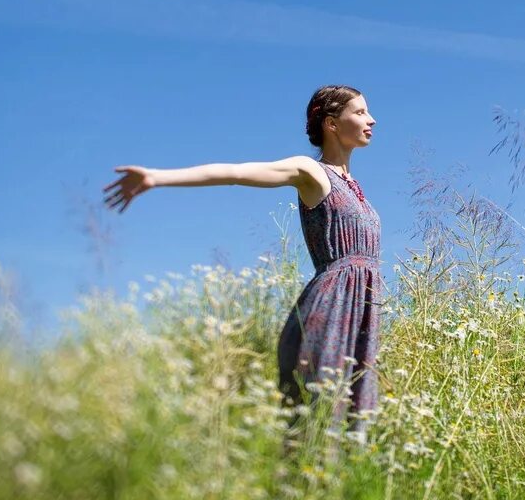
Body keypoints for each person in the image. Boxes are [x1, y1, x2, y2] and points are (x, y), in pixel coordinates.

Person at [103, 85, 383, 432]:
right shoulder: (311, 172)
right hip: (331, 308)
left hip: (363, 310)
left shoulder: (355, 185)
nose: (371, 119)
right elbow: (235, 172)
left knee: (356, 424)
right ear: (331, 123)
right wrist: (158, 177)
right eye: (359, 112)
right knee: (320, 419)